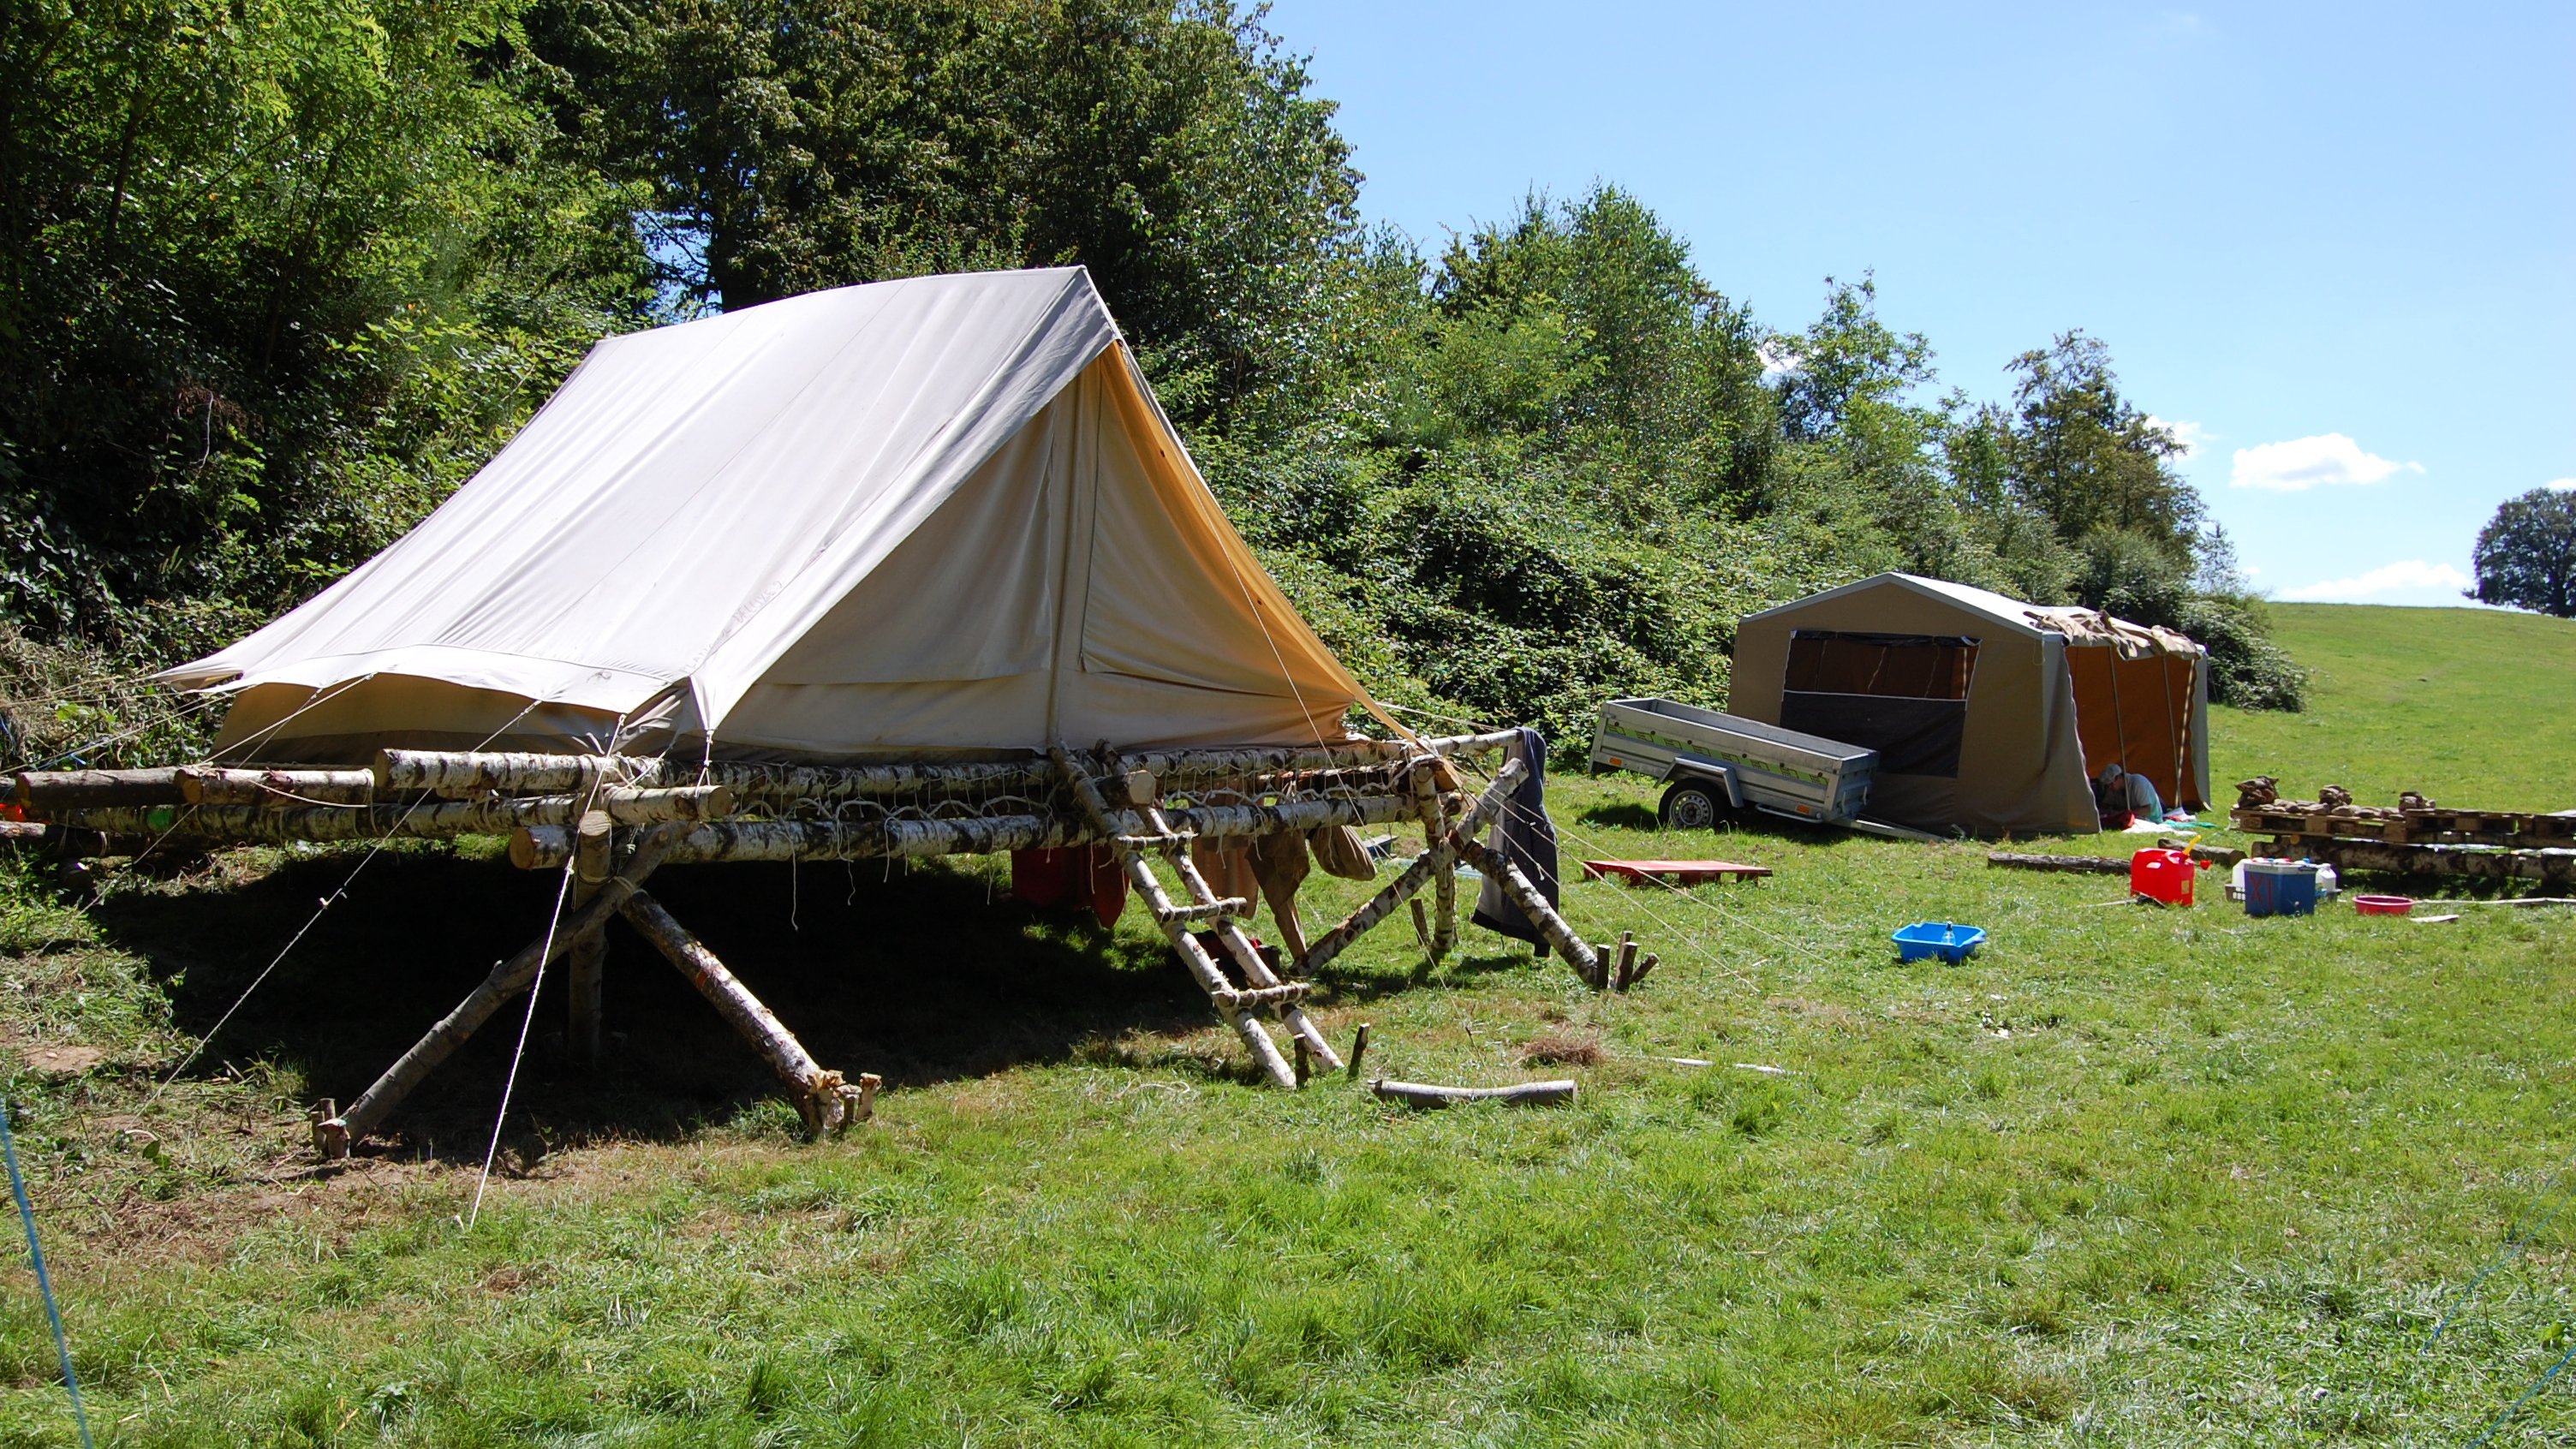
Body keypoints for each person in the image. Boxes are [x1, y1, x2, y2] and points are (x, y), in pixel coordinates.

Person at [2096, 763, 2163, 822]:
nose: (2110, 788)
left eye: (2111, 784)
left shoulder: (2138, 783)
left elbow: (2147, 809)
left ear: (2119, 777)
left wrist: (2123, 813)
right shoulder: (2113, 789)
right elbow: (2105, 805)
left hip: (2151, 819)